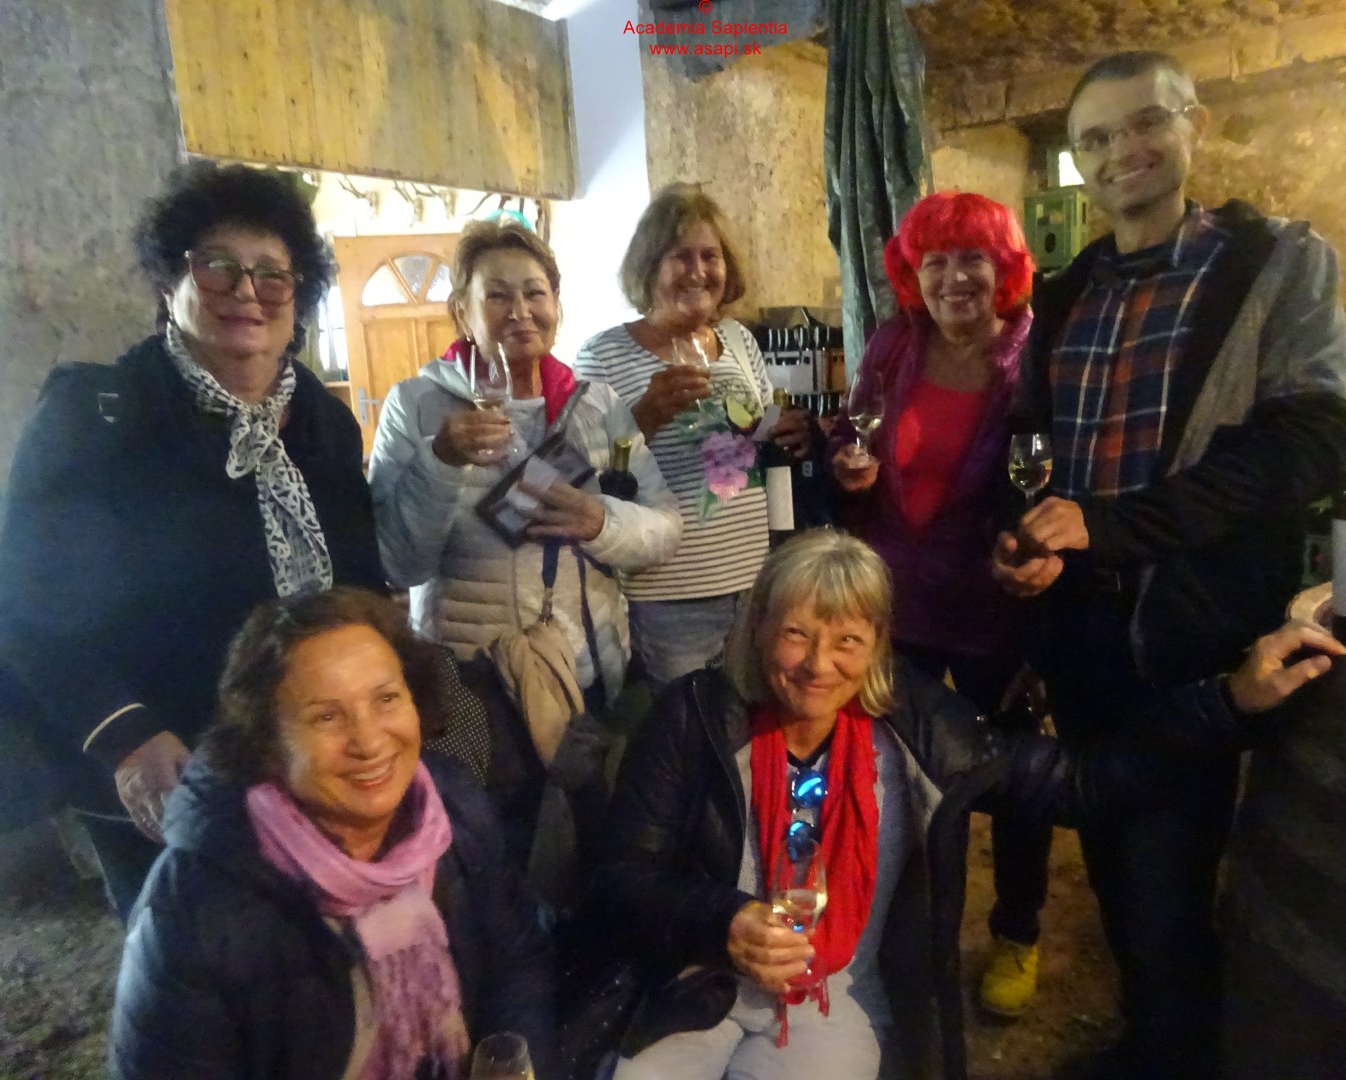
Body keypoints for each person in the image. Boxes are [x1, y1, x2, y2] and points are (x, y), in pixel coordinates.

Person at [587, 531, 1341, 1080]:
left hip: (832, 997)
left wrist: (1230, 702)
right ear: (759, 631)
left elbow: (1082, 782)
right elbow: (621, 879)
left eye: (847, 639)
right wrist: (721, 919)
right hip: (698, 980)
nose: (818, 665)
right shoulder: (696, 718)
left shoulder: (918, 730)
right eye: (795, 634)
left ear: (879, 643)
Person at [990, 52, 1346, 1080]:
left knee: (1169, 883)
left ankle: (1175, 1051)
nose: (1123, 152)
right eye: (1096, 139)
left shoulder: (1275, 262)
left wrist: (1109, 528)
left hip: (1190, 631)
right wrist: (1027, 542)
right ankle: (1155, 1041)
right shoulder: (1066, 294)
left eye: (1145, 123)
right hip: (1083, 632)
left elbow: (1306, 447)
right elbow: (1034, 450)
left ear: (1194, 122)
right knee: (1114, 858)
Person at [0, 162, 385, 918]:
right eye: (218, 266)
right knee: (195, 967)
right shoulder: (99, 415)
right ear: (171, 281)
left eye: (272, 274)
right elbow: (23, 611)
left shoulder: (324, 423)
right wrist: (126, 737)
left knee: (317, 950)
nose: (246, 291)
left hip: (312, 759)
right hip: (170, 778)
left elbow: (360, 582)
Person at [109, 587, 558, 1079]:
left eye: (386, 699)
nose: (368, 741)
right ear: (267, 743)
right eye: (326, 716)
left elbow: (516, 965)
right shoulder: (194, 907)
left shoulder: (453, 808)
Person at [829, 191, 1050, 1017]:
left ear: (1005, 269)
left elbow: (1053, 475)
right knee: (896, 774)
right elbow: (853, 433)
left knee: (1016, 777)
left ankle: (1018, 931)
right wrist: (847, 465)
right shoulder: (894, 345)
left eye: (972, 259)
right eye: (935, 262)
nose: (954, 278)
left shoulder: (1035, 355)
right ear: (912, 275)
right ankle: (907, 932)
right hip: (897, 604)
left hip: (995, 606)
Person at [368, 217, 681, 709]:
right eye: (497, 296)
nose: (521, 312)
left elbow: (665, 530)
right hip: (470, 679)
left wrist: (601, 522)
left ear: (556, 304)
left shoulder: (596, 405)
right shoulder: (415, 406)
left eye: (535, 293)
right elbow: (399, 566)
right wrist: (440, 460)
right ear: (462, 312)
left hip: (585, 671)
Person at [574, 184, 814, 685]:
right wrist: (644, 417)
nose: (699, 271)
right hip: (670, 593)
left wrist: (788, 430)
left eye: (710, 256)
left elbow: (760, 429)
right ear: (649, 266)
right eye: (681, 256)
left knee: (752, 715)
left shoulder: (738, 339)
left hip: (755, 581)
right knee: (689, 723)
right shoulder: (603, 355)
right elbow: (583, 473)